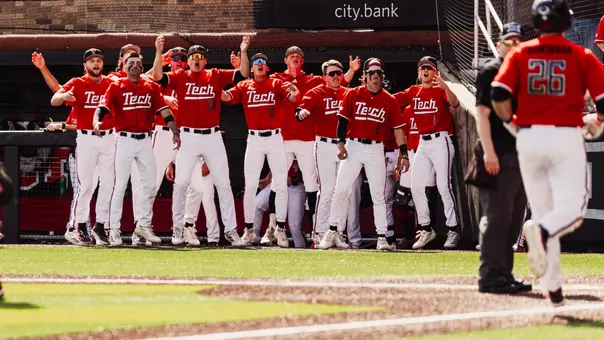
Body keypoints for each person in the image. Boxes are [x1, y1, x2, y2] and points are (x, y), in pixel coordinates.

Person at [491, 0, 604, 306]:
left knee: (545, 211)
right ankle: (540, 233)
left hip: (528, 137)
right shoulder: (581, 55)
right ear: (566, 22)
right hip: (566, 135)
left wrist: (510, 123)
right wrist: (598, 121)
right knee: (573, 208)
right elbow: (603, 102)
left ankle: (552, 288)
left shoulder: (520, 52)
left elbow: (498, 94)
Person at [153, 36, 250, 247]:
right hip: (187, 135)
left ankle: (231, 231)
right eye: (193, 57)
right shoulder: (180, 76)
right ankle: (178, 229)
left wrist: (243, 51)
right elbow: (159, 77)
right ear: (188, 61)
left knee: (224, 184)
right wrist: (159, 53)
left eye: (200, 57)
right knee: (180, 184)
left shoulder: (214, 74)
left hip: (213, 136)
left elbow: (242, 73)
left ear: (205, 60)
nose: (197, 60)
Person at [264, 47, 361, 240]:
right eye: (291, 56)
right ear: (285, 60)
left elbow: (337, 80)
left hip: (308, 139)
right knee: (277, 183)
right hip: (284, 137)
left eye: (299, 56)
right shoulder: (276, 79)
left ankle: (322, 231)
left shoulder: (312, 80)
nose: (295, 59)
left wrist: (351, 71)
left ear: (303, 61)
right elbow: (259, 81)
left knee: (315, 185)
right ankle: (273, 228)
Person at [130, 39, 219, 247]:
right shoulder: (160, 80)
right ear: (170, 62)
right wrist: (160, 54)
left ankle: (187, 226)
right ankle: (142, 228)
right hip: (162, 134)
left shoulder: (191, 80)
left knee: (197, 185)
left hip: (188, 136)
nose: (179, 62)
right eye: (175, 58)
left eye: (182, 58)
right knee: (151, 184)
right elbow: (137, 79)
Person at [94, 52, 181, 246]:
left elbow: (164, 110)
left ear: (142, 67)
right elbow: (102, 107)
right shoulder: (116, 85)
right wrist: (96, 121)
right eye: (130, 63)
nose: (134, 65)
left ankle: (143, 225)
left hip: (145, 141)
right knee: (120, 185)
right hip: (123, 139)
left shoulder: (151, 86)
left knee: (150, 184)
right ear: (124, 66)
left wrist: (175, 131)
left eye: (137, 63)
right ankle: (112, 229)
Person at [474, 22, 532, 294]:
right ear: (498, 45)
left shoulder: (525, 72)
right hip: (497, 149)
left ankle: (504, 274)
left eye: (518, 40)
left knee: (513, 218)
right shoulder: (491, 70)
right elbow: (483, 114)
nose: (513, 45)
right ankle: (490, 276)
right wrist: (488, 151)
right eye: (508, 41)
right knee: (497, 217)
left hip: (520, 153)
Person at [327, 58, 410, 251]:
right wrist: (340, 144)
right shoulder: (353, 94)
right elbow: (342, 121)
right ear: (364, 76)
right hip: (354, 145)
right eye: (371, 73)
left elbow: (399, 130)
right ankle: (332, 231)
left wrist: (403, 154)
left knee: (378, 195)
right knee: (341, 189)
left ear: (382, 76)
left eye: (378, 73)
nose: (375, 76)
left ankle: (382, 237)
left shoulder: (389, 99)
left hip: (375, 148)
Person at [221, 53, 300, 247]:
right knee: (250, 186)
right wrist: (215, 86)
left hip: (274, 137)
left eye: (263, 63)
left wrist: (295, 93)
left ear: (267, 67)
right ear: (253, 67)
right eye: (256, 63)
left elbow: (292, 98)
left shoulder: (275, 83)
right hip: (255, 138)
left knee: (281, 184)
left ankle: (280, 229)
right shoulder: (245, 85)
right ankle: (249, 230)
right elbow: (226, 97)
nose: (259, 65)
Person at [49, 48, 115, 246]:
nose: (96, 64)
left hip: (109, 137)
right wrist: (63, 97)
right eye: (91, 61)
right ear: (85, 64)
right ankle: (77, 226)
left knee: (108, 183)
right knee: (87, 185)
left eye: (99, 60)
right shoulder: (77, 82)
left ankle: (100, 226)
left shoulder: (111, 83)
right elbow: (54, 100)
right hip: (86, 138)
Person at [394, 56, 460, 250]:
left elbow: (455, 104)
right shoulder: (414, 91)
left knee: (443, 185)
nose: (426, 71)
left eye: (429, 68)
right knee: (415, 186)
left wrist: (446, 87)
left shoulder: (440, 90)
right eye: (423, 68)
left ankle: (453, 229)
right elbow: (392, 99)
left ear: (435, 72)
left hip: (441, 140)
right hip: (423, 141)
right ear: (418, 72)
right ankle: (426, 228)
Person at [32, 52, 94, 242]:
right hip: (79, 154)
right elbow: (58, 90)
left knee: (91, 191)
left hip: (100, 148)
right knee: (83, 190)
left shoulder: (97, 101)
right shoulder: (76, 100)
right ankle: (73, 227)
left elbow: (92, 125)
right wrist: (43, 68)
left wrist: (62, 125)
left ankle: (85, 227)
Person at [295, 59, 354, 249]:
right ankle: (319, 232)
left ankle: (337, 231)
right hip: (324, 144)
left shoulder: (348, 93)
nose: (336, 77)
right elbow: (300, 109)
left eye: (339, 73)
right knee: (327, 190)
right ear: (324, 76)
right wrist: (302, 113)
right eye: (332, 74)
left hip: (345, 145)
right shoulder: (316, 92)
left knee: (344, 190)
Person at [254, 161, 307, 248]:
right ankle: (254, 239)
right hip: (278, 182)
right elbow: (275, 160)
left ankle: (302, 249)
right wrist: (268, 178)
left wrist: (294, 180)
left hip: (296, 186)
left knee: (294, 225)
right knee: (257, 203)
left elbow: (312, 171)